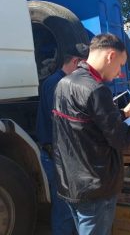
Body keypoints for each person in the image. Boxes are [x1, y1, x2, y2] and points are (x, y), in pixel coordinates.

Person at [52, 33, 130, 235]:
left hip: (70, 181)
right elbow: (121, 139)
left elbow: (87, 126)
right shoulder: (96, 90)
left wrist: (121, 113)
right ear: (110, 56)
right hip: (95, 186)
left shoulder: (64, 83)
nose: (120, 73)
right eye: (120, 64)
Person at [36, 43, 88, 235]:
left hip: (61, 155)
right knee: (64, 210)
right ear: (76, 62)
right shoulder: (58, 84)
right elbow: (62, 123)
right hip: (57, 157)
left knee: (69, 208)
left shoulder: (60, 81)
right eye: (84, 66)